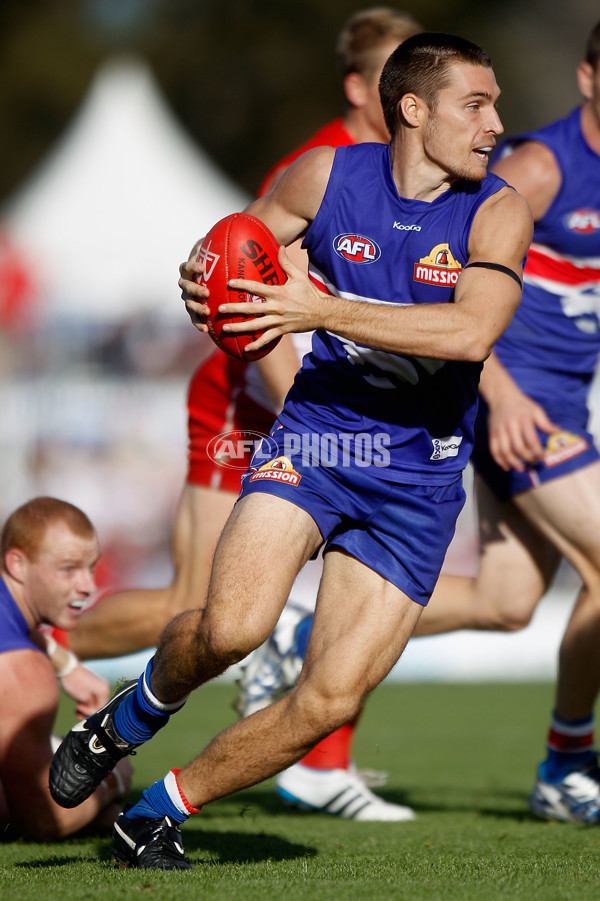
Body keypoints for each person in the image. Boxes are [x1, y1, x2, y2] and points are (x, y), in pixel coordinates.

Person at [49, 32, 532, 870]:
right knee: (233, 627)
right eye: (476, 104)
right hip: (319, 436)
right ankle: (130, 715)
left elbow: (472, 330)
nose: (496, 122)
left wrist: (322, 311)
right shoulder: (327, 176)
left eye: (493, 104)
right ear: (413, 110)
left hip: (417, 477)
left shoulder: (498, 208)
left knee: (329, 698)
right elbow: (236, 252)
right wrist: (206, 278)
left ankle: (158, 811)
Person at [62, 7, 422, 821]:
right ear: (362, 87)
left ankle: (320, 754)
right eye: (403, 73)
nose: (419, 92)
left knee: (455, 599)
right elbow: (243, 290)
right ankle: (28, 643)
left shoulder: (430, 180)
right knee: (194, 613)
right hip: (251, 400)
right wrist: (314, 415)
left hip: (329, 413)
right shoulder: (323, 168)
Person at [409, 19, 600, 824]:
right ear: (589, 79)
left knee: (506, 600)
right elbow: (448, 283)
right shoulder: (540, 167)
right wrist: (506, 393)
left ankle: (308, 624)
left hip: (556, 405)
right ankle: (566, 761)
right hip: (514, 404)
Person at [0, 497, 132, 841]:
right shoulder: (22, 671)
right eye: (69, 569)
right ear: (17, 564)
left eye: (91, 568)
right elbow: (44, 821)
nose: (88, 586)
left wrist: (68, 665)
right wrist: (113, 776)